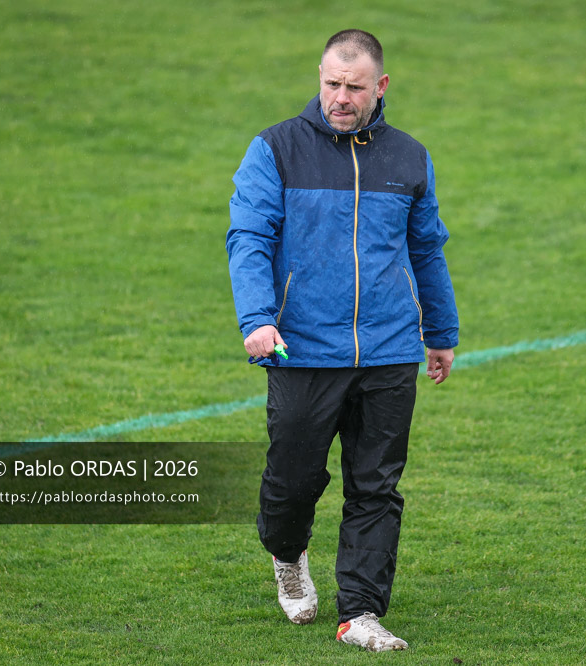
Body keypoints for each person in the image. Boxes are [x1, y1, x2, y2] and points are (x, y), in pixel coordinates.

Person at [226, 28, 459, 653]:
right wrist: (257, 320)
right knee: (292, 479)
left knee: (376, 483)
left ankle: (360, 612)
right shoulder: (275, 149)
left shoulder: (409, 157)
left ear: (379, 88)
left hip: (389, 349)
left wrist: (440, 332)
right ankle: (287, 551)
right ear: (319, 78)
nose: (340, 97)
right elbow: (248, 238)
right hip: (299, 347)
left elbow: (426, 249)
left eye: (354, 87)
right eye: (331, 83)